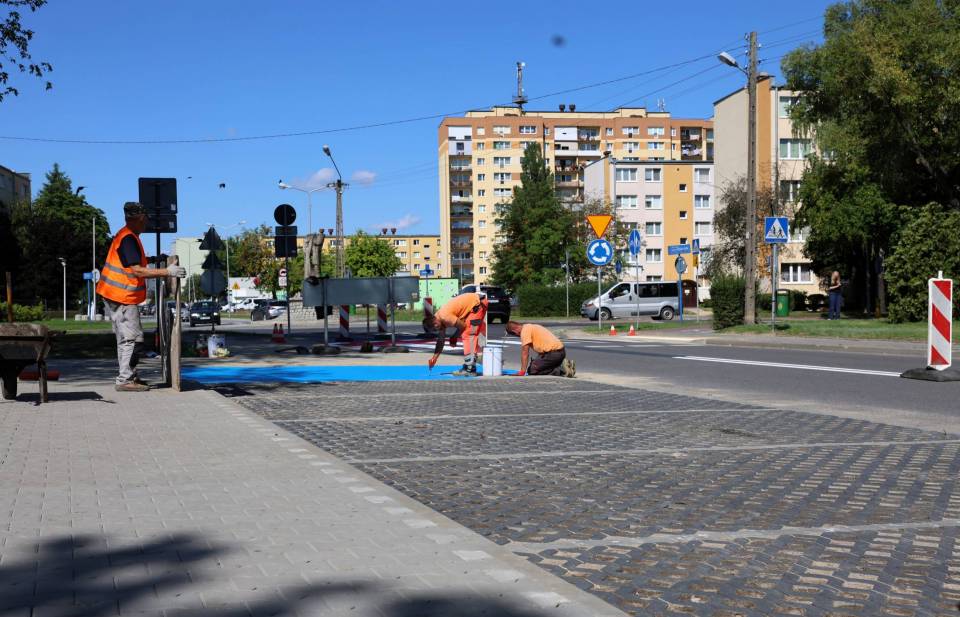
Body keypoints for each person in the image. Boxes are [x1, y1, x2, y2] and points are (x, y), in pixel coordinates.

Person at [96, 202, 186, 391]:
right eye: (145, 219)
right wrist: (167, 272)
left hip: (115, 294)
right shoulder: (128, 238)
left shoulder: (127, 236)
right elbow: (137, 270)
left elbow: (134, 262)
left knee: (126, 339)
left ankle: (129, 376)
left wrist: (154, 260)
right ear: (139, 219)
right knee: (133, 339)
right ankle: (125, 379)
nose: (147, 223)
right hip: (122, 296)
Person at [424, 292, 487, 376]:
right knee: (467, 333)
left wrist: (454, 337)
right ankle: (469, 366)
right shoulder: (438, 318)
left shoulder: (444, 317)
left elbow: (463, 326)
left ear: (435, 323)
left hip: (478, 304)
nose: (438, 330)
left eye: (436, 329)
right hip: (474, 305)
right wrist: (434, 358)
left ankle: (470, 369)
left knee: (468, 334)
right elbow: (440, 341)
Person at [505, 321, 575, 377]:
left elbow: (525, 353)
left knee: (532, 370)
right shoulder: (530, 326)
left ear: (515, 331)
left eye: (515, 335)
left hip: (553, 354)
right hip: (560, 352)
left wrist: (522, 372)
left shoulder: (524, 331)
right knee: (536, 364)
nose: (518, 336)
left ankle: (562, 370)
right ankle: (562, 365)